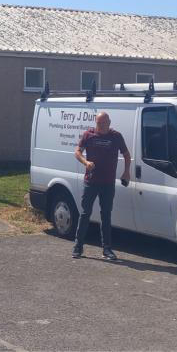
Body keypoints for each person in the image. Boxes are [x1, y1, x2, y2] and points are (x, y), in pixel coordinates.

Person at [72, 111, 131, 261]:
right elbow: (77, 151)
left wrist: (126, 173)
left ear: (109, 123)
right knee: (85, 214)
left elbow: (126, 155)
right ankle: (78, 247)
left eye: (104, 123)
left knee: (106, 215)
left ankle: (107, 250)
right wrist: (86, 162)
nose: (101, 126)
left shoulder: (116, 136)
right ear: (95, 123)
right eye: (99, 123)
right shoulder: (88, 135)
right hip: (91, 181)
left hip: (108, 183)